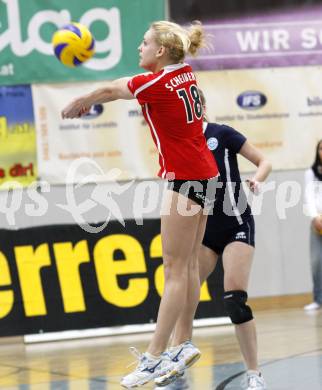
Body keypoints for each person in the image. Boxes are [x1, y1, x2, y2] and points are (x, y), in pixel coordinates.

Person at [61, 21, 219, 389]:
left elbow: (112, 88)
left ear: (161, 51)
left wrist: (81, 100)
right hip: (206, 175)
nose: (140, 49)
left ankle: (153, 356)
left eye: (144, 43)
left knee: (175, 269)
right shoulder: (184, 73)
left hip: (185, 178)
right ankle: (181, 344)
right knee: (189, 265)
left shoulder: (158, 82)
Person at [155, 89, 271, 390]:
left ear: (201, 107)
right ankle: (176, 367)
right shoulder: (180, 143)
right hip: (204, 230)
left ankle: (254, 373)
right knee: (181, 295)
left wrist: (257, 179)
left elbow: (263, 160)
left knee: (234, 300)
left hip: (236, 225)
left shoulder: (221, 133)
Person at [304, 139, 322, 311]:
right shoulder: (311, 172)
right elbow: (309, 196)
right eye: (321, 149)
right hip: (318, 223)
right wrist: (315, 217)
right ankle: (318, 299)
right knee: (316, 262)